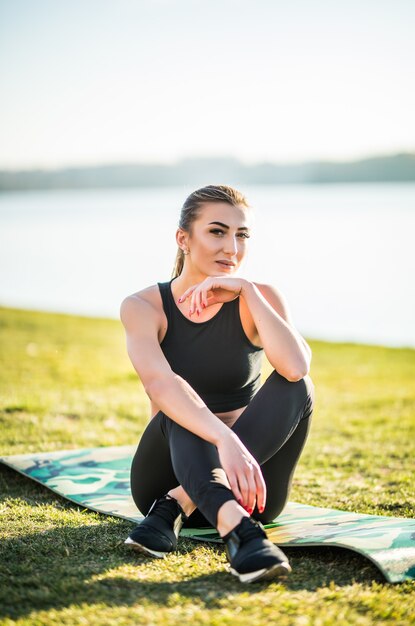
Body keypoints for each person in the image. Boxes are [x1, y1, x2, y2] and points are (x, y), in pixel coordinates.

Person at [120, 185, 315, 583]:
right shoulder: (143, 307)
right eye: (217, 231)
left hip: (250, 483)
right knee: (178, 399)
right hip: (164, 474)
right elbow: (160, 386)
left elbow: (295, 367)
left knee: (299, 385)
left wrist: (248, 291)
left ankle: (177, 506)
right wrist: (224, 440)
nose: (232, 248)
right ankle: (240, 534)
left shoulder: (261, 298)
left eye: (241, 235)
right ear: (183, 239)